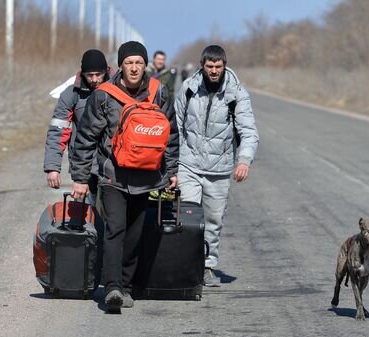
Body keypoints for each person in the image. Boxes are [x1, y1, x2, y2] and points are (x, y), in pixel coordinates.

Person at [70, 41, 178, 311]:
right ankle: (113, 287)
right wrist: (81, 178)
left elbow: (171, 134)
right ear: (120, 66)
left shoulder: (158, 92)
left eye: (138, 63)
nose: (133, 68)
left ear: (145, 65)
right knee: (115, 229)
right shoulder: (104, 95)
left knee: (134, 234)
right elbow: (85, 139)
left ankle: (126, 287)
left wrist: (173, 171)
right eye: (128, 63)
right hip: (112, 176)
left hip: (147, 177)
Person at [174, 45, 259, 287]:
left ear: (224, 66)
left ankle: (207, 266)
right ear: (202, 65)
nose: (213, 71)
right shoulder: (189, 89)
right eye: (209, 66)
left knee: (213, 221)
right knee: (187, 217)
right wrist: (173, 162)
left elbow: (249, 131)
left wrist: (243, 161)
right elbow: (176, 124)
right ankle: (185, 266)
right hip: (188, 164)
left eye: (218, 67)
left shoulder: (237, 94)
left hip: (219, 170)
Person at [43, 49, 110, 204]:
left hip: (114, 162)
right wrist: (53, 167)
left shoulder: (119, 87)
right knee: (87, 213)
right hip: (83, 164)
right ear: (82, 73)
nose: (94, 79)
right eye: (89, 75)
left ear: (106, 71)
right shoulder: (71, 94)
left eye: (98, 74)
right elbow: (58, 131)